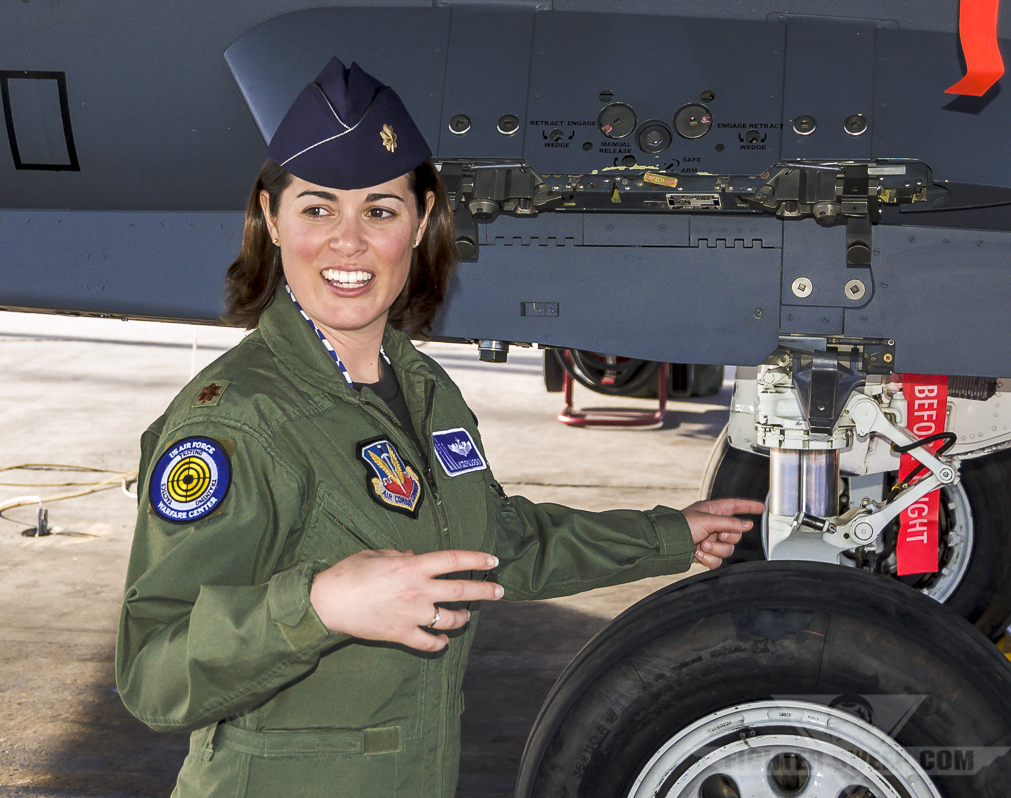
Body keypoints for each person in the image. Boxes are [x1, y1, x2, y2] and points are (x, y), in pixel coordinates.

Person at [115, 58, 763, 798]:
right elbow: (154, 671)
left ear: (421, 222)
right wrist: (319, 605)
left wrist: (670, 535)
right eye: (318, 209)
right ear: (271, 217)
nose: (348, 242)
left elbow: (493, 544)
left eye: (380, 211)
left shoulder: (422, 389)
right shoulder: (237, 421)